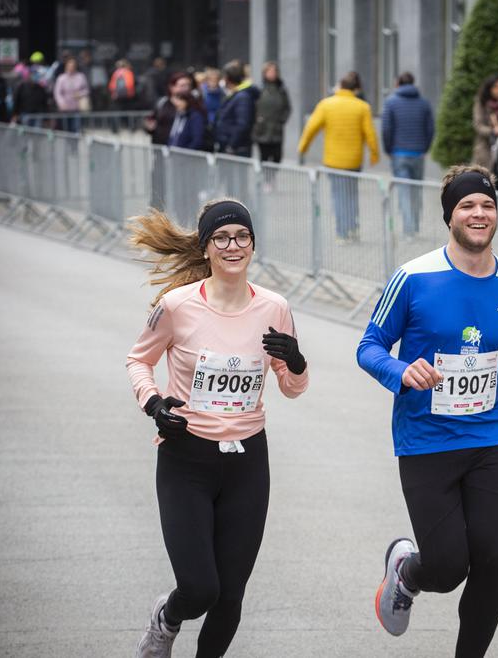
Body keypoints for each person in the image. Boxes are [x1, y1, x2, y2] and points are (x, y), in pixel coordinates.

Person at [357, 164, 498, 657]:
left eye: (487, 205)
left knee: (493, 557)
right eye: (468, 205)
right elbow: (369, 347)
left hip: (490, 437)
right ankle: (407, 571)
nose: (479, 213)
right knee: (448, 567)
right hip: (425, 439)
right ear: (449, 215)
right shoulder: (413, 278)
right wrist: (401, 372)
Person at [126, 199, 309, 658]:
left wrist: (297, 361)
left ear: (253, 245)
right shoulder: (176, 306)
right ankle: (165, 619)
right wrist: (152, 402)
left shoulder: (275, 307)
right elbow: (139, 360)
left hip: (247, 461)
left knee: (230, 596)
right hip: (186, 458)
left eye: (242, 237)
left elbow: (291, 387)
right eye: (222, 238)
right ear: (206, 248)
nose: (233, 246)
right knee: (200, 588)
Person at [298, 71, 379, 241]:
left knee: (338, 196)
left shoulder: (326, 104)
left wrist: (302, 149)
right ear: (354, 89)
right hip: (354, 160)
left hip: (333, 161)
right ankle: (353, 228)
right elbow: (370, 134)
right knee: (351, 194)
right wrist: (374, 154)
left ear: (340, 86)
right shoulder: (362, 106)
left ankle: (342, 233)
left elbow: (311, 128)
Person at [382, 71, 435, 237]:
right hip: (418, 154)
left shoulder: (391, 102)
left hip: (399, 154)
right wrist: (425, 148)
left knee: (404, 191)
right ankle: (415, 226)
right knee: (416, 191)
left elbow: (386, 129)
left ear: (397, 84)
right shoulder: (424, 103)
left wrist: (388, 149)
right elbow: (431, 129)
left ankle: (408, 230)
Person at [215, 60, 259, 158]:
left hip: (236, 149)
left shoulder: (242, 97)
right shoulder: (236, 94)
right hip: (230, 146)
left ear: (227, 78)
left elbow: (243, 124)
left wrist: (231, 145)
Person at [252, 61, 291, 167]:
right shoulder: (259, 89)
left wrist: (281, 120)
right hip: (262, 130)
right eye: (270, 71)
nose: (273, 73)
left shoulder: (281, 90)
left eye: (274, 71)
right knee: (264, 158)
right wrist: (258, 121)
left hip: (276, 130)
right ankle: (265, 181)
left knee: (276, 158)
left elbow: (287, 108)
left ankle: (271, 181)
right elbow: (253, 107)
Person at [166, 80, 208, 151]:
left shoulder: (195, 117)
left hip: (186, 157)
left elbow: (197, 140)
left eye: (180, 100)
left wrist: (186, 154)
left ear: (187, 101)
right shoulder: (178, 115)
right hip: (174, 154)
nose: (176, 103)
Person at [52, 56, 89, 133]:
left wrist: (80, 94)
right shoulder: (61, 78)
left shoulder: (81, 76)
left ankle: (75, 145)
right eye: (70, 65)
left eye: (73, 66)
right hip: (65, 108)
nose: (71, 67)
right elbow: (57, 93)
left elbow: (86, 90)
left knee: (76, 129)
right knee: (66, 131)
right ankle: (66, 145)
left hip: (77, 108)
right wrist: (61, 103)